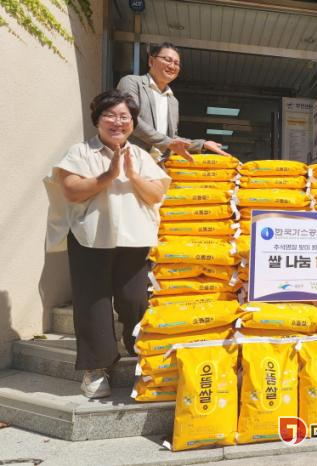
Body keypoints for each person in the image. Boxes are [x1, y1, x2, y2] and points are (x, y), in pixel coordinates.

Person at [44, 90, 171, 398]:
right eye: (110, 115)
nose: (118, 122)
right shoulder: (80, 152)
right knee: (93, 303)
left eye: (124, 116)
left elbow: (156, 194)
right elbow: (72, 191)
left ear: (133, 123)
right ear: (97, 120)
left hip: (135, 239)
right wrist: (110, 174)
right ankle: (96, 368)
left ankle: (139, 349)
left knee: (134, 299)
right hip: (90, 238)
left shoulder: (140, 156)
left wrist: (132, 175)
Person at [117, 42, 227, 161]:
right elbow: (130, 120)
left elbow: (172, 138)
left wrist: (202, 144)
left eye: (176, 63)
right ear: (151, 61)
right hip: (130, 159)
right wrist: (168, 142)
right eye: (167, 60)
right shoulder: (132, 83)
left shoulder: (173, 101)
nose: (172, 66)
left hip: (159, 164)